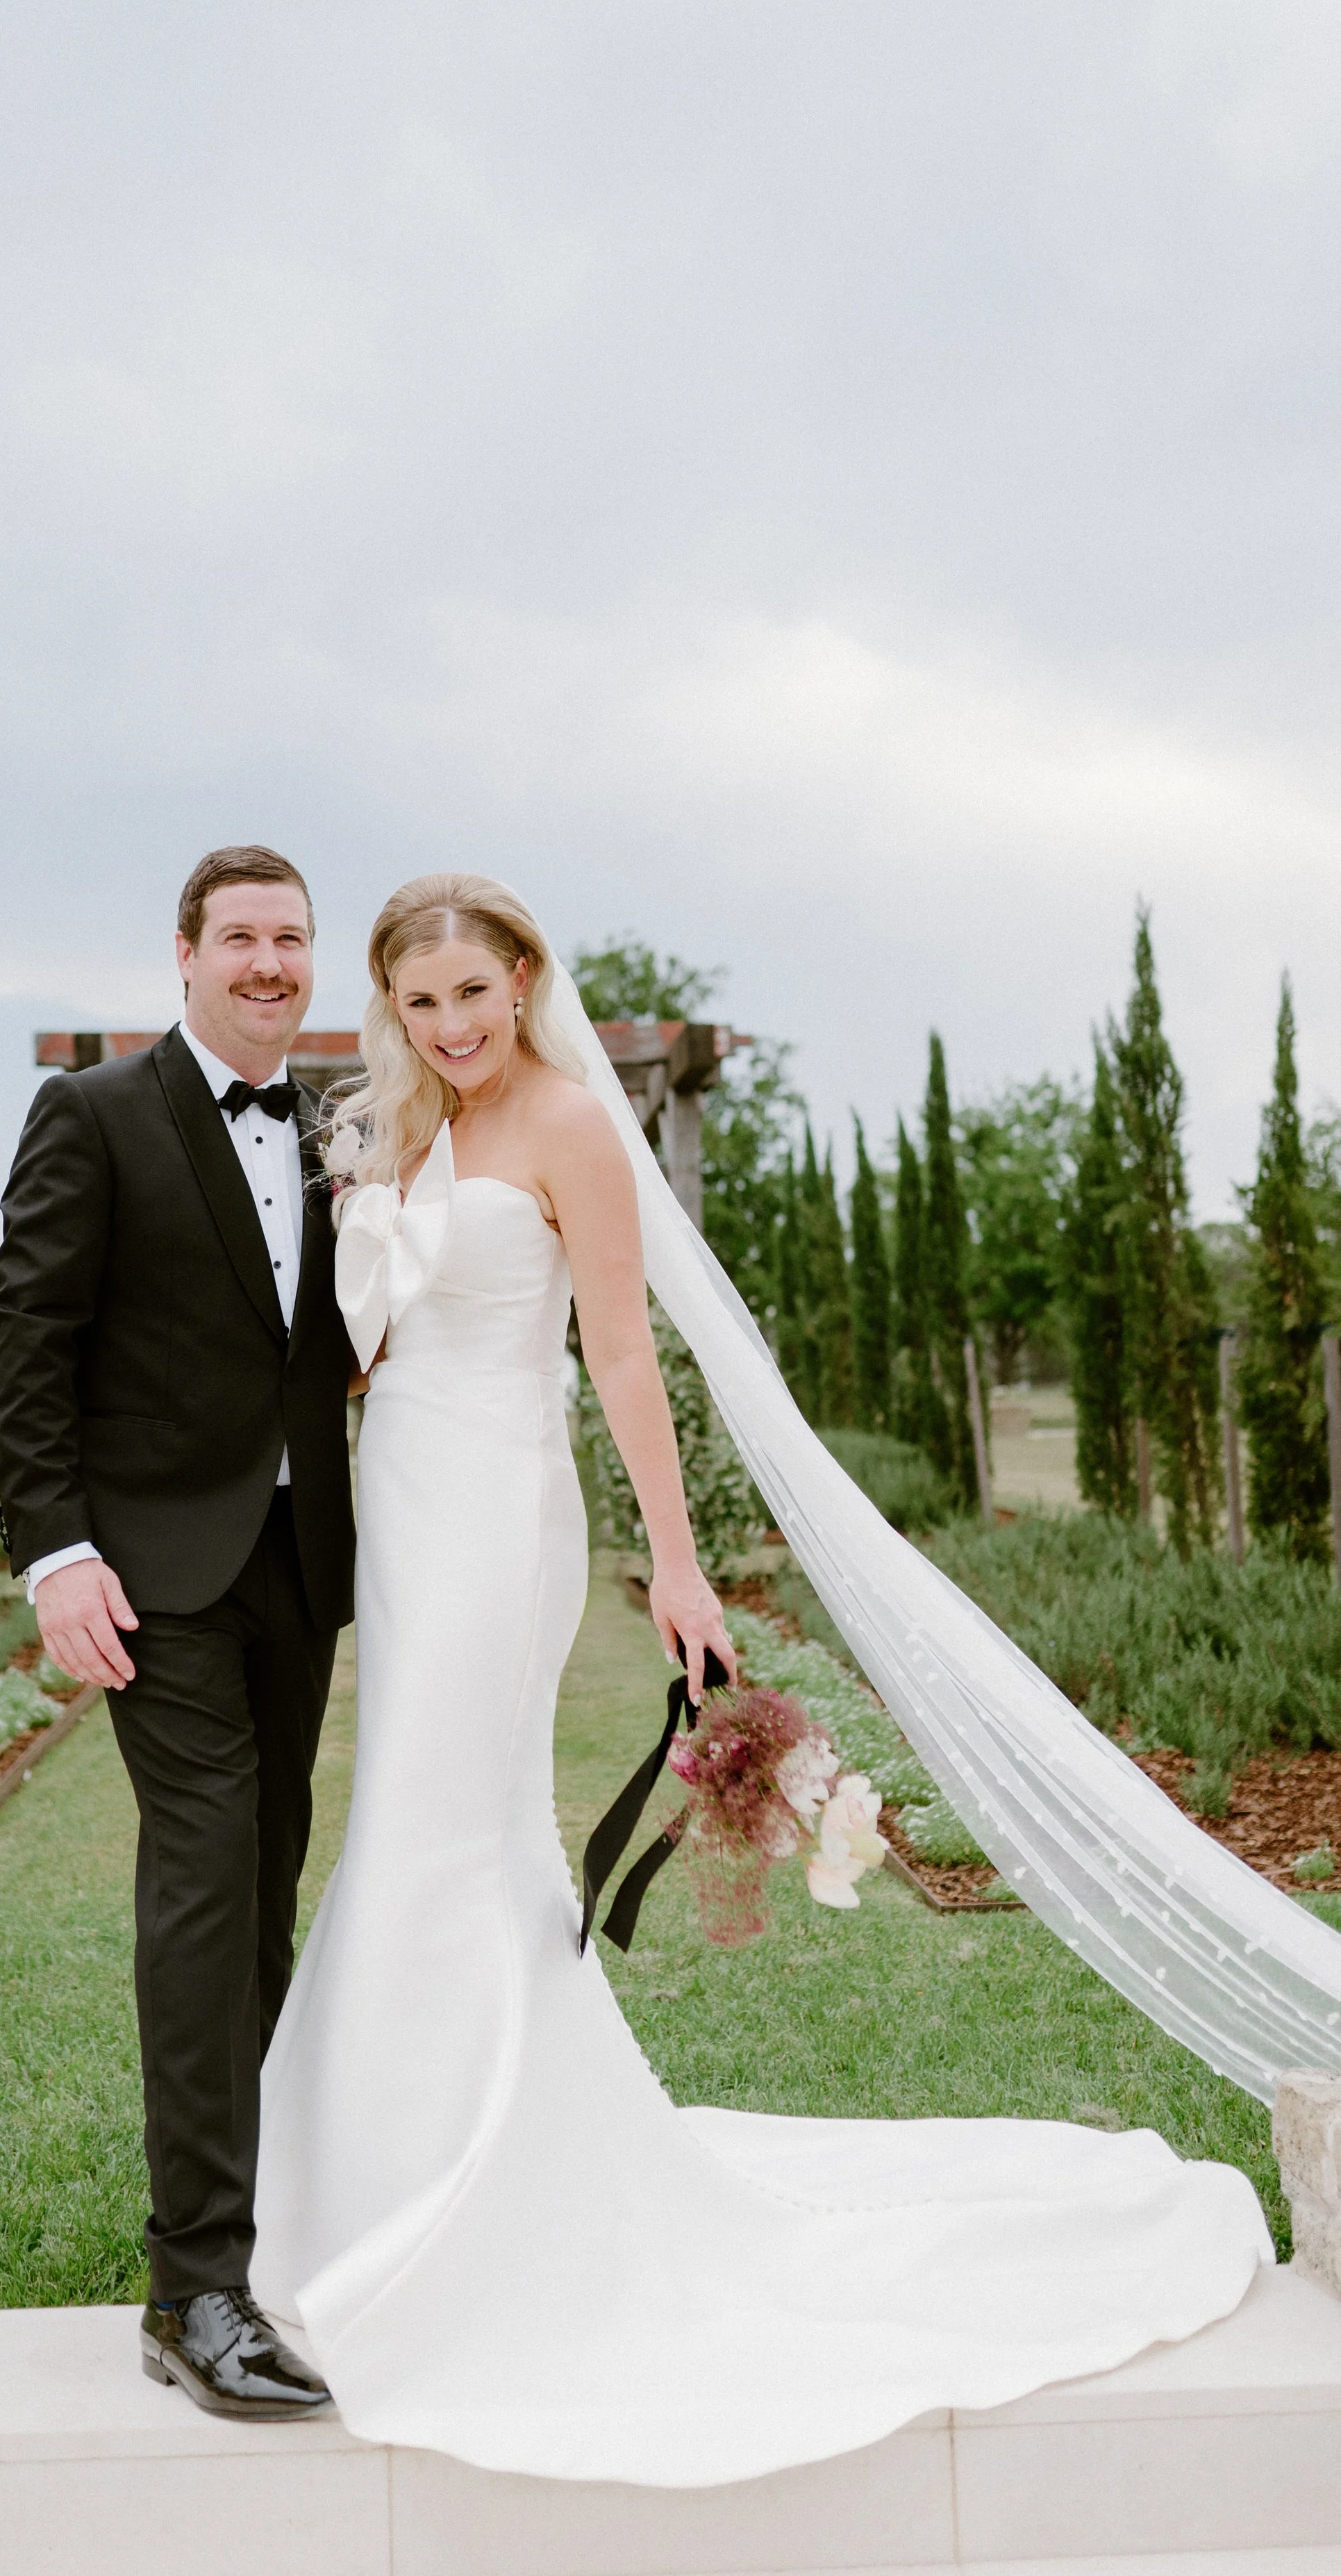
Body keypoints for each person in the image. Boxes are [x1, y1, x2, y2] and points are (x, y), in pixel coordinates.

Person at [250, 871, 1272, 2489]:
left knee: (450, 1831)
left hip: (502, 1516)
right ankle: (381, 2177)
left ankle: (469, 2203)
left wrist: (670, 1556)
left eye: (472, 994)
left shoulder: (573, 1125)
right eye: (419, 1003)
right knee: (409, 1823)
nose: (450, 1027)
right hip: (405, 1508)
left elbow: (619, 1350)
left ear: (521, 978)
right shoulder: (396, 1127)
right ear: (394, 1009)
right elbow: (365, 1340)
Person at [0, 844, 354, 2420]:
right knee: (203, 1885)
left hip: (300, 1559)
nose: (269, 964)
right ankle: (189, 2284)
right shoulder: (96, 1115)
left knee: (266, 1881)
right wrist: (54, 1550)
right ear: (186, 956)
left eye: (292, 940)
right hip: (151, 1571)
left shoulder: (342, 1125)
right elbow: (27, 1335)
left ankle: (260, 2244)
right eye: (243, 940)